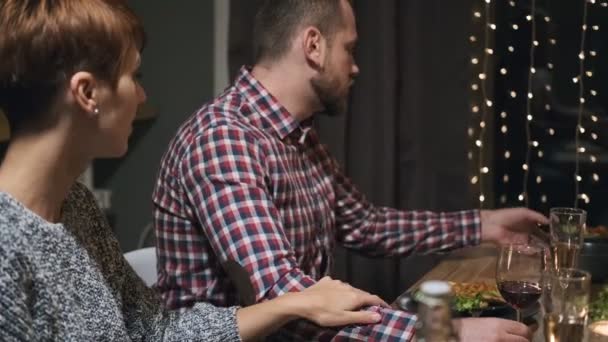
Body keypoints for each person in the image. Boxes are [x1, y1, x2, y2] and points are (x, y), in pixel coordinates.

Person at [153, 0, 547, 340]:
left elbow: (366, 224)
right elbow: (282, 295)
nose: (355, 67)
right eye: (350, 49)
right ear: (313, 46)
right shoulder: (225, 139)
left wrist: (484, 225)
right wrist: (441, 331)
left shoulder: (296, 136)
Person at [0, 1, 392, 341]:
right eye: (134, 76)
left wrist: (292, 304)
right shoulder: (7, 246)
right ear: (87, 93)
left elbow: (155, 332)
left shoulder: (75, 204)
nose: (142, 95)